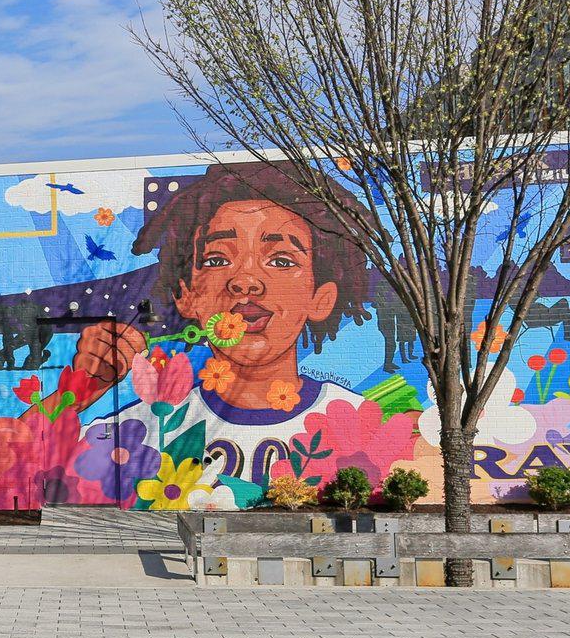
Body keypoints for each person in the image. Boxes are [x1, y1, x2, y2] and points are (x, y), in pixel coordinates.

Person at [68, 162, 382, 496]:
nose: (245, 281)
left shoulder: (357, 420)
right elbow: (12, 462)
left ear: (320, 299)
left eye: (281, 260)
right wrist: (77, 393)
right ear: (185, 295)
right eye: (217, 259)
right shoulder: (143, 427)